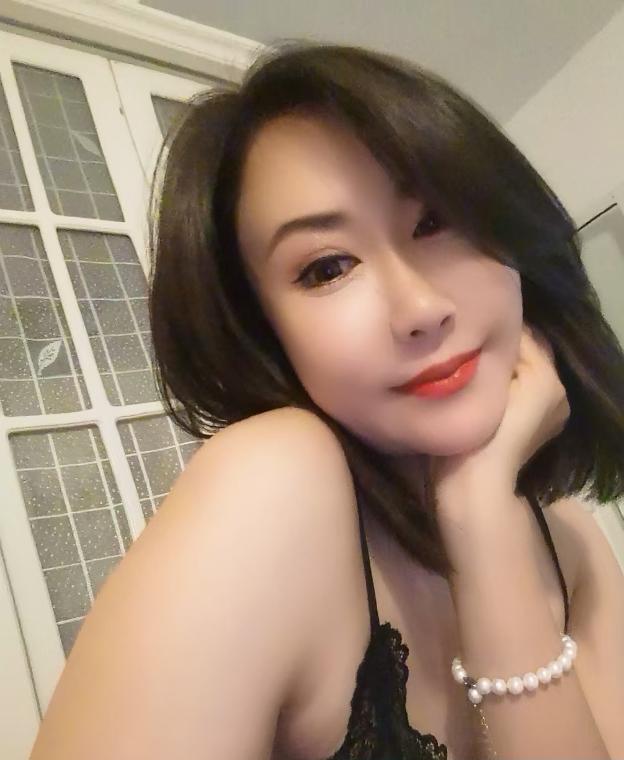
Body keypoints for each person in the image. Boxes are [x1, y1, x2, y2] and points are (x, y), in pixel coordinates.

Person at [30, 40, 624, 760]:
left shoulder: (573, 539)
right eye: (327, 268)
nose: (420, 309)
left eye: (434, 222)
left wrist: (484, 519)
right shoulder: (273, 485)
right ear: (265, 332)